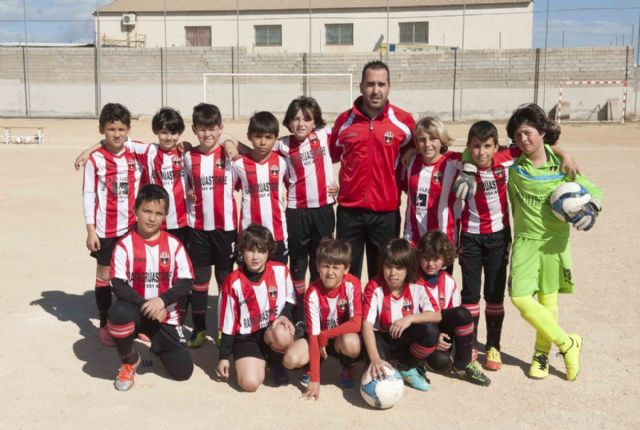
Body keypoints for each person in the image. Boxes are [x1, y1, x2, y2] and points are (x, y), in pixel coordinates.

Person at [504, 103, 602, 381]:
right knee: (520, 298)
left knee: (548, 300)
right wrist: (563, 149)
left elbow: (593, 190)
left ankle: (541, 355)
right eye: (518, 135)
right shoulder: (513, 165)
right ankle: (568, 342)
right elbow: (477, 146)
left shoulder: (562, 167)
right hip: (525, 241)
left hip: (554, 243)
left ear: (542, 132)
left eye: (528, 133)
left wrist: (592, 209)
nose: (523, 139)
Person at [329, 61, 415, 279]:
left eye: (381, 84)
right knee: (347, 277)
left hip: (385, 214)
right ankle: (352, 315)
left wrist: (412, 152)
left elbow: (429, 147)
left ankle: (380, 315)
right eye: (370, 84)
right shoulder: (344, 121)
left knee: (385, 276)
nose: (376, 90)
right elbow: (328, 155)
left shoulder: (404, 122)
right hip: (349, 213)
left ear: (389, 87)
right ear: (360, 86)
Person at [107, 184, 194, 391]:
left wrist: (163, 301)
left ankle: (159, 346)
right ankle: (130, 360)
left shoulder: (174, 244)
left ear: (165, 216)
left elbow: (187, 281)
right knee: (118, 313)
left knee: (183, 372)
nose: (152, 218)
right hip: (136, 310)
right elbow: (118, 284)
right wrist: (146, 305)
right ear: (135, 210)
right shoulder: (124, 245)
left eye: (158, 213)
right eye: (146, 211)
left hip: (164, 314)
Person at [216, 225, 306, 391]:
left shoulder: (280, 271)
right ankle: (256, 361)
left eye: (261, 251)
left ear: (269, 252)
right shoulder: (233, 282)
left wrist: (285, 314)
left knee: (283, 334)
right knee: (249, 384)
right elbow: (227, 324)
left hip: (272, 330)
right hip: (247, 338)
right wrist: (223, 357)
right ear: (242, 252)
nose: (255, 257)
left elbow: (291, 298)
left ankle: (275, 363)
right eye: (250, 250)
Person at [82, 102, 143, 346]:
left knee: (134, 275)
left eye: (121, 129)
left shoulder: (135, 152)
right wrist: (90, 230)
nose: (116, 134)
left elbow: (161, 147)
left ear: (128, 129)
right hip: (105, 229)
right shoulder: (95, 160)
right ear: (102, 130)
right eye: (111, 129)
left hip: (132, 228)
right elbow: (88, 194)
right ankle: (105, 321)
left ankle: (136, 321)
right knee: (104, 274)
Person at [180, 103, 238, 348]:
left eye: (212, 129)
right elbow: (184, 189)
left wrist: (228, 140)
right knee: (200, 281)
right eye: (202, 129)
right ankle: (200, 329)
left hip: (225, 230)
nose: (207, 134)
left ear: (220, 128)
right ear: (194, 130)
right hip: (198, 229)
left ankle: (225, 329)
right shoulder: (187, 157)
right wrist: (190, 194)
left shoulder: (231, 156)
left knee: (225, 281)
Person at [362, 239, 440, 392]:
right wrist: (375, 358)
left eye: (399, 268)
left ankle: (407, 366)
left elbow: (436, 315)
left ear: (408, 269)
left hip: (405, 339)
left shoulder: (417, 283)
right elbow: (366, 325)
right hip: (381, 338)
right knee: (380, 375)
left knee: (430, 331)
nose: (392, 273)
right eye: (388, 267)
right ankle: (375, 361)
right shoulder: (374, 286)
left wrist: (410, 318)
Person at [416, 231, 491, 386]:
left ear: (444, 259)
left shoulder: (448, 282)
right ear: (419, 257)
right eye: (426, 258)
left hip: (442, 330)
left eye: (436, 259)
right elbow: (410, 318)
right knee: (441, 362)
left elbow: (454, 316)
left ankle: (463, 365)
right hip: (422, 332)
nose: (430, 264)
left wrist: (457, 344)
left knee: (463, 314)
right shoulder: (413, 281)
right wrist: (434, 338)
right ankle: (415, 360)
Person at [300, 238, 362, 400]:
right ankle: (313, 366)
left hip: (339, 337)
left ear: (346, 269)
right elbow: (313, 335)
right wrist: (315, 378)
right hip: (319, 339)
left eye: (336, 267)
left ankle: (347, 367)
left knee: (352, 343)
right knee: (291, 359)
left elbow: (356, 323)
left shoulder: (352, 284)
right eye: (325, 266)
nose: (330, 272)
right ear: (317, 266)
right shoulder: (312, 292)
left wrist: (325, 335)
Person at [231, 111, 289, 264]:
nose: (263, 142)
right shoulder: (238, 165)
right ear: (249, 136)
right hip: (248, 234)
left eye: (268, 137)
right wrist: (227, 142)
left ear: (275, 138)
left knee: (277, 278)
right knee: (248, 281)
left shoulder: (283, 162)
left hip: (277, 233)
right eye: (258, 137)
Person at [400, 116, 462, 252]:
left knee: (441, 274)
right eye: (422, 140)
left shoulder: (454, 161)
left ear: (442, 139)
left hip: (444, 239)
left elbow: (474, 157)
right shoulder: (410, 162)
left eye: (433, 138)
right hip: (414, 239)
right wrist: (412, 151)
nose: (427, 144)